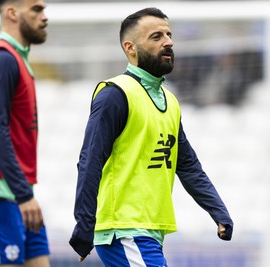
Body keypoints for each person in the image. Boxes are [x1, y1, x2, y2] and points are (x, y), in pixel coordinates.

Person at [69, 7, 234, 267]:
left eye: (169, 34)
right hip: (123, 230)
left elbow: (187, 164)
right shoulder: (115, 94)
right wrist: (84, 225)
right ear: (130, 47)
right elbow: (90, 160)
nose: (168, 42)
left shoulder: (170, 100)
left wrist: (218, 211)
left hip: (148, 232)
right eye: (156, 37)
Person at [0, 0, 50, 266]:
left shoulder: (17, 59)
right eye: (37, 9)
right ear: (11, 12)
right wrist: (24, 195)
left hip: (18, 192)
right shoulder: (3, 59)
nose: (45, 16)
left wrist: (24, 193)